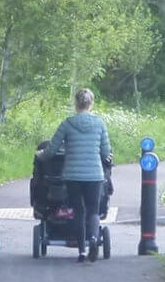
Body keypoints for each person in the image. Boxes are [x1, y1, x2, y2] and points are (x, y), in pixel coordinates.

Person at [39, 87, 112, 263]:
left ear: (76, 103)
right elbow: (105, 152)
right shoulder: (100, 124)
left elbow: (52, 149)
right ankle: (94, 239)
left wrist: (41, 156)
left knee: (78, 211)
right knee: (93, 211)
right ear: (91, 103)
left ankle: (81, 251)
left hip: (72, 175)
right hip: (94, 174)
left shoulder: (67, 123)